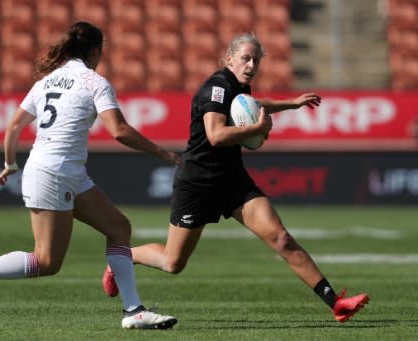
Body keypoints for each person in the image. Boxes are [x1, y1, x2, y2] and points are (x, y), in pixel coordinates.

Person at [102, 33, 369, 323]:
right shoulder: (216, 88)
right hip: (198, 183)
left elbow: (254, 104)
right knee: (172, 262)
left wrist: (291, 103)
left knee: (281, 238)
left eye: (256, 60)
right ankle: (123, 259)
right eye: (245, 58)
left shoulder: (238, 88)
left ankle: (336, 303)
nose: (251, 64)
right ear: (229, 58)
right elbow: (216, 135)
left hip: (232, 180)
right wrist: (257, 128)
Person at [0, 21, 179, 330]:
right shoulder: (94, 81)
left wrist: (10, 164)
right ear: (96, 51)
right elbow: (119, 130)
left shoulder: (47, 82)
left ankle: (133, 310)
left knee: (119, 227)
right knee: (46, 262)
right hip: (54, 172)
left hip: (64, 171)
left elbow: (14, 127)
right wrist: (164, 154)